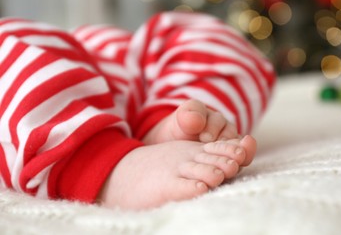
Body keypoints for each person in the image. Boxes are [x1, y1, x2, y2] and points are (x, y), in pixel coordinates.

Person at [0, 11, 275, 210]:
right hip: (55, 95)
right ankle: (106, 160)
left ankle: (169, 122)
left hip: (126, 65)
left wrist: (172, 111)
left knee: (214, 42)